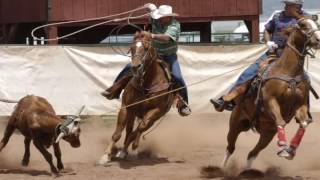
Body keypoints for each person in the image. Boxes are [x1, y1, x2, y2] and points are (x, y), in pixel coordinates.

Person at [210, 0, 308, 112]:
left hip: (292, 58)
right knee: (249, 72)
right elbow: (267, 29)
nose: (285, 6)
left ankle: (304, 109)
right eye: (286, 4)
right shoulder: (277, 17)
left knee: (305, 81)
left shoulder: (305, 19)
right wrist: (268, 42)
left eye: (289, 5)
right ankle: (228, 100)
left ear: (298, 7)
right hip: (273, 53)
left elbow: (313, 33)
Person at [101, 4, 191, 116]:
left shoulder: (175, 25)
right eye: (159, 17)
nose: (159, 19)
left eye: (162, 17)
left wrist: (152, 35)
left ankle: (184, 104)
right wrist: (150, 6)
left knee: (177, 77)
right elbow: (152, 9)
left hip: (169, 56)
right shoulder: (157, 20)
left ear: (168, 17)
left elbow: (166, 38)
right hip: (154, 54)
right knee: (130, 66)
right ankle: (114, 90)